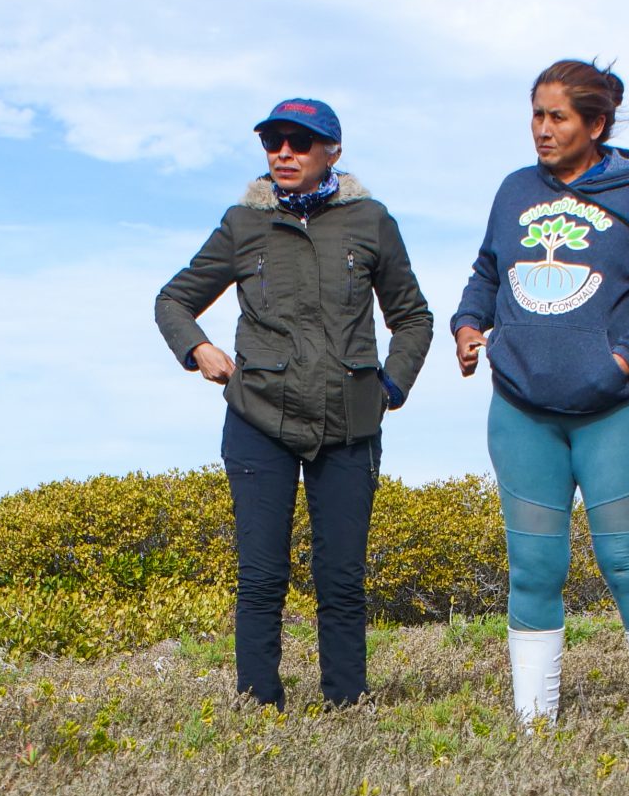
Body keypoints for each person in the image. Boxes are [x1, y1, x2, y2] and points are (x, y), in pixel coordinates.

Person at [154, 99, 431, 710]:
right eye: (273, 141)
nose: (284, 152)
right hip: (258, 418)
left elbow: (412, 317)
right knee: (260, 577)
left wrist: (391, 385)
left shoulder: (372, 221)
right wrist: (197, 348)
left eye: (300, 142)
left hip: (352, 421)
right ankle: (258, 712)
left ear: (332, 151)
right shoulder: (240, 224)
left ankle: (346, 707)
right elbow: (173, 300)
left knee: (341, 580)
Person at [450, 61, 629, 720]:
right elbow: (488, 271)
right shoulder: (514, 190)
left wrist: (618, 362)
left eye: (558, 117)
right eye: (536, 115)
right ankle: (535, 731)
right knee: (532, 567)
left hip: (619, 412)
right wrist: (470, 323)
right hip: (523, 412)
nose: (542, 130)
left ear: (596, 123)